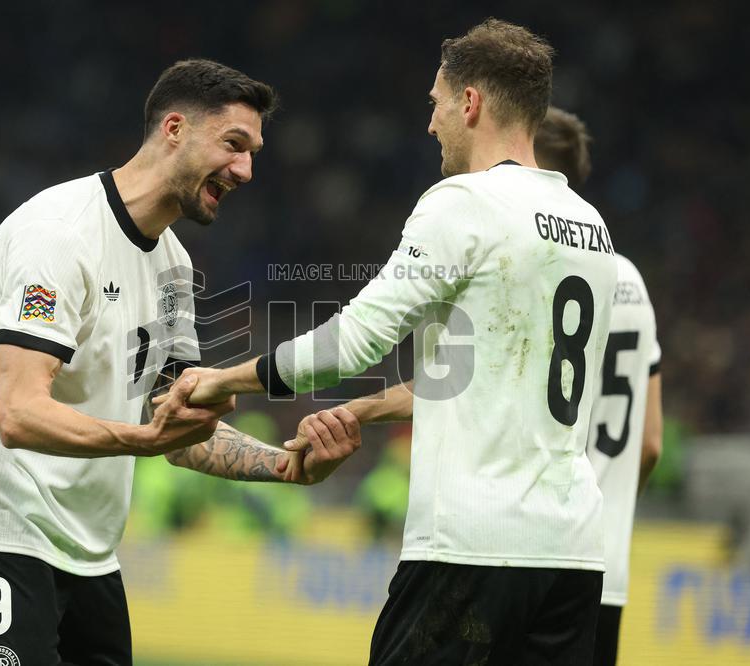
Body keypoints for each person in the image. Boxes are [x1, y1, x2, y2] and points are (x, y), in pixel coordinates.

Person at [164, 19, 618, 665]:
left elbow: (348, 345)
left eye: (435, 104)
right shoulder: (590, 226)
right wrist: (364, 411)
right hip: (573, 557)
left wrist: (219, 379)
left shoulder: (463, 203)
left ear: (471, 103)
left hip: (470, 551)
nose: (430, 124)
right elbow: (472, 377)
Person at [0, 59, 361, 666]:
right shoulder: (58, 234)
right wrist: (143, 437)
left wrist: (288, 468)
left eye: (254, 152)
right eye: (234, 144)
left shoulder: (175, 268)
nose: (246, 170)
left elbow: (177, 433)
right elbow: (19, 414)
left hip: (91, 556)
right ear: (174, 129)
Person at [537, 106, 664, 666]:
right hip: (607, 559)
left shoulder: (547, 270)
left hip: (534, 550)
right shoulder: (630, 277)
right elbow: (652, 443)